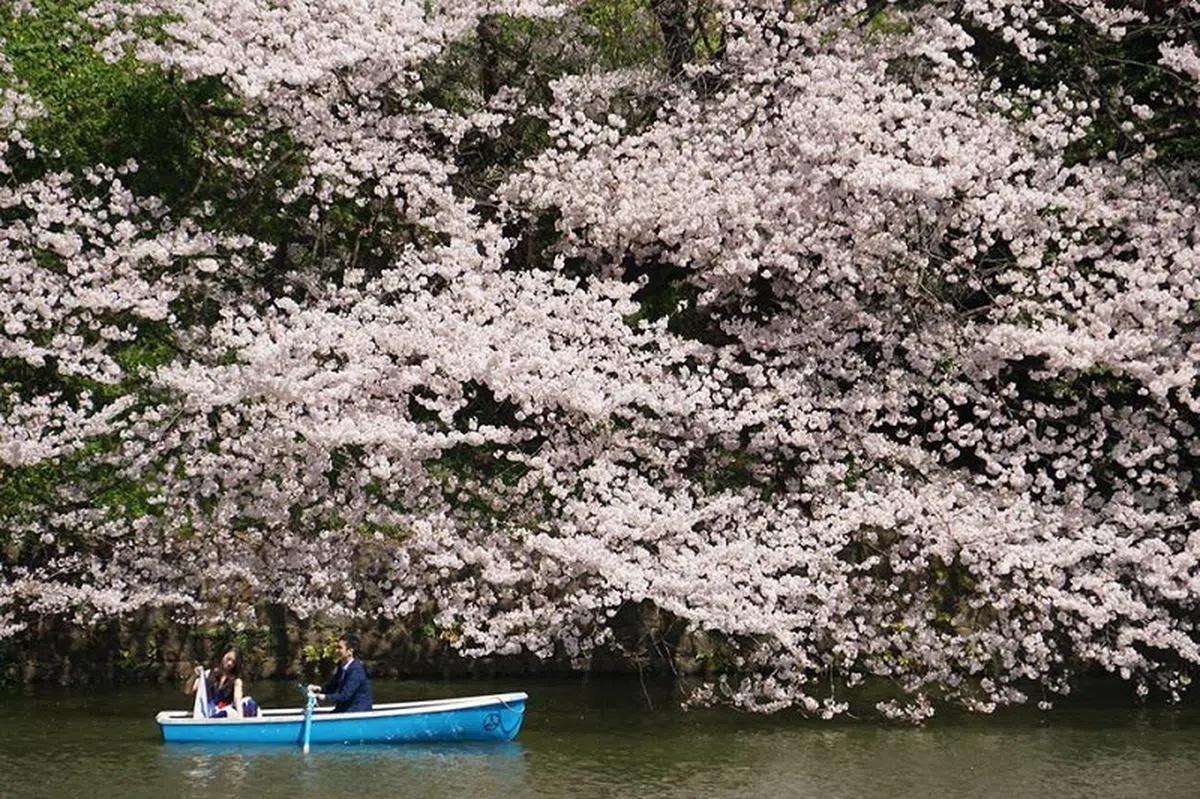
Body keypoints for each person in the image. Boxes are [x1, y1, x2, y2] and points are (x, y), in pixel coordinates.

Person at [307, 633, 373, 713]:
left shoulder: (356, 671)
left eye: (340, 648)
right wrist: (318, 689)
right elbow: (332, 686)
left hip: (358, 711)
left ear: (350, 651)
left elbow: (344, 695)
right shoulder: (342, 666)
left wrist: (323, 697)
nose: (337, 651)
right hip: (345, 709)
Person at [186, 647, 257, 718]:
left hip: (227, 712)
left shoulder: (236, 680)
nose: (230, 663)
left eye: (233, 662)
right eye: (228, 659)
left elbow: (237, 699)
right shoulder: (208, 675)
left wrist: (240, 718)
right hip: (210, 713)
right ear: (223, 655)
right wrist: (194, 675)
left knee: (250, 703)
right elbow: (188, 691)